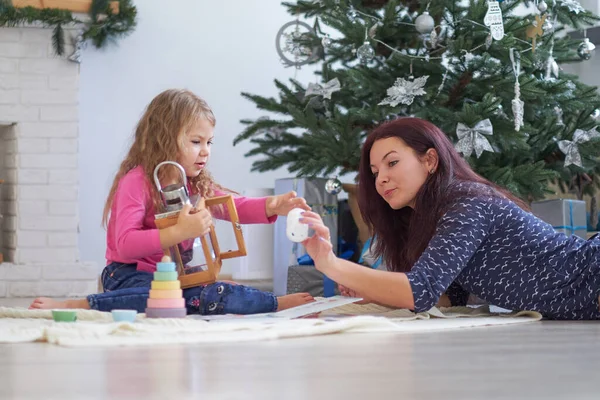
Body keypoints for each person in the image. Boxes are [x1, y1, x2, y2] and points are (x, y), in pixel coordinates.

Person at [30, 89, 314, 314]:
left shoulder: (194, 183)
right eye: (195, 142)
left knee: (210, 292)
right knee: (164, 296)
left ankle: (269, 303)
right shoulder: (137, 181)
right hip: (127, 275)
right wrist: (178, 233)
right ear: (164, 139)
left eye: (209, 142)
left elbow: (233, 205)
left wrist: (272, 206)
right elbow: (126, 245)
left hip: (177, 276)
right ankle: (84, 304)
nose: (205, 152)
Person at [299, 117, 600, 320]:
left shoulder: (467, 201)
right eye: (376, 172)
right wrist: (370, 290)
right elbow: (446, 298)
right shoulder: (433, 219)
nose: (381, 180)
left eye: (392, 163)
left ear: (430, 160)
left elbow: (420, 290)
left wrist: (333, 265)